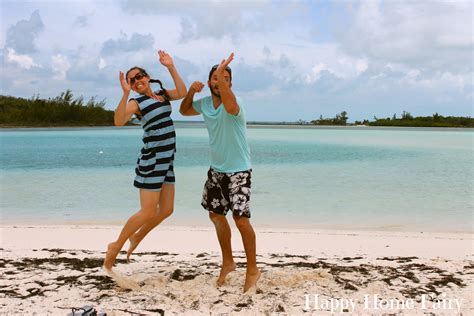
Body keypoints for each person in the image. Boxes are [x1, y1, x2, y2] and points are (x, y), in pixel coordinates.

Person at [179, 53, 261, 293]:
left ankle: (253, 269)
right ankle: (228, 262)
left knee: (241, 219)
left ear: (230, 84)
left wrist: (224, 77)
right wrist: (191, 92)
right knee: (215, 215)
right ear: (209, 81)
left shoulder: (235, 103)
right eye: (215, 78)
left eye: (225, 78)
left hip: (238, 170)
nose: (219, 81)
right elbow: (184, 111)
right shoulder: (204, 103)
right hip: (217, 170)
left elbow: (230, 105)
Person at [103, 50, 187, 272]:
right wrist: (124, 94)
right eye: (133, 80)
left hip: (167, 160)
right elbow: (119, 121)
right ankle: (116, 245)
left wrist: (170, 66)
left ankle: (137, 237)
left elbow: (182, 92)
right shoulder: (136, 102)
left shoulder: (161, 94)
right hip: (152, 160)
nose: (138, 80)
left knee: (167, 209)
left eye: (140, 76)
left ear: (147, 76)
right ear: (130, 85)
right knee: (148, 211)